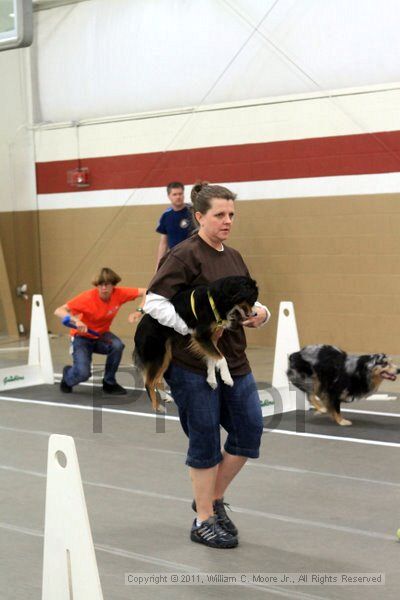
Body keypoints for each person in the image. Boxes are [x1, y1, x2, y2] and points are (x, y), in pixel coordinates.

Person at [144, 182, 271, 549]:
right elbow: (153, 302)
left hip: (235, 361)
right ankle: (202, 520)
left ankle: (212, 500)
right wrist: (192, 328)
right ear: (199, 216)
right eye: (219, 214)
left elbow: (250, 299)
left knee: (249, 432)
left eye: (231, 214)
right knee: (204, 443)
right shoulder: (184, 256)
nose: (227, 221)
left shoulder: (233, 256)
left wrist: (260, 313)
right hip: (192, 365)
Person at [54, 267, 146, 395]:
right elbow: (59, 310)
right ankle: (68, 376)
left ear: (113, 285)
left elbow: (147, 292)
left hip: (100, 335)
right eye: (100, 285)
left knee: (117, 345)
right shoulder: (87, 298)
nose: (103, 288)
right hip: (82, 338)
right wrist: (77, 321)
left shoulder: (119, 294)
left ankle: (109, 383)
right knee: (83, 374)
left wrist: (138, 312)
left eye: (107, 284)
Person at [155, 181, 194, 267]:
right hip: (175, 258)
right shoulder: (166, 216)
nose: (178, 197)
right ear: (169, 196)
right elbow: (163, 243)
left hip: (192, 256)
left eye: (180, 194)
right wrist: (158, 266)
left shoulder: (192, 211)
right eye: (175, 194)